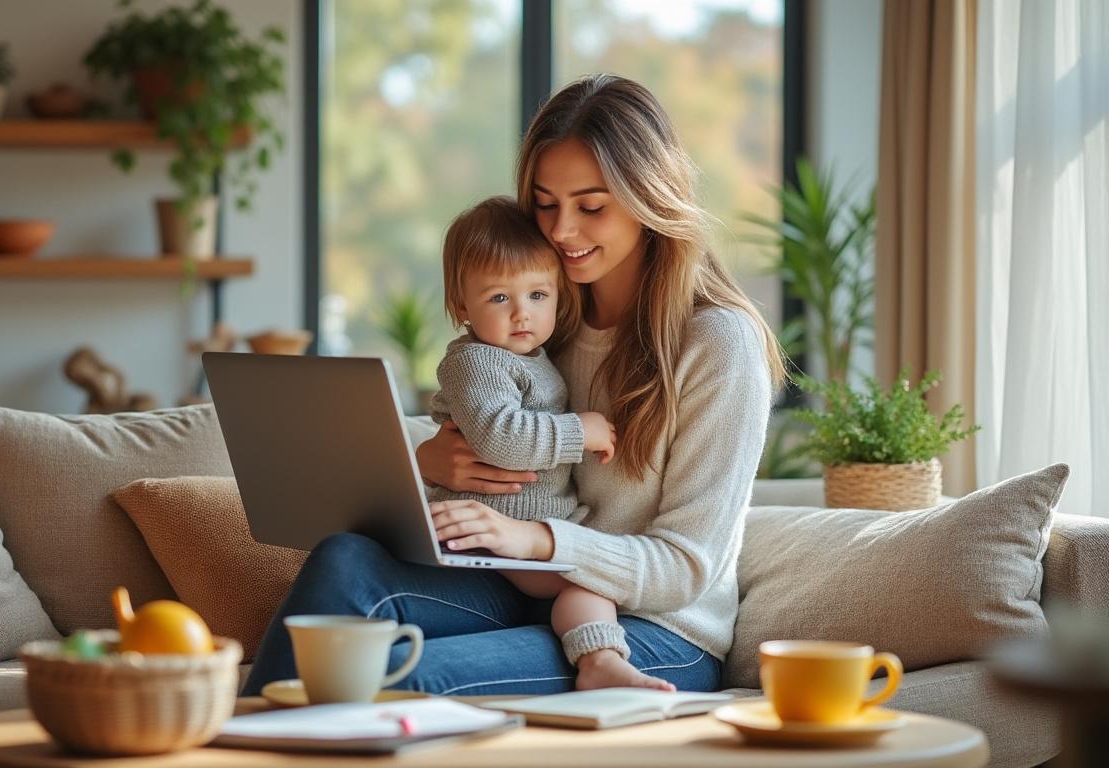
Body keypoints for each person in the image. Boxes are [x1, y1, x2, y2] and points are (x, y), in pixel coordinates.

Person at [241, 74, 785, 697]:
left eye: (591, 206)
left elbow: (688, 566)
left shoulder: (717, 342)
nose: (561, 231)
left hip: (653, 630)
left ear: (648, 198)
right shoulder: (540, 314)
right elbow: (490, 425)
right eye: (546, 203)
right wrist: (429, 458)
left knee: (399, 678)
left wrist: (534, 539)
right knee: (344, 562)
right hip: (518, 582)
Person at [427, 195, 662, 691]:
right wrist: (582, 431)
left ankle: (599, 661)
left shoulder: (530, 355)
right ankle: (598, 659)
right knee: (587, 579)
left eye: (538, 295)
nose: (521, 315)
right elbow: (501, 438)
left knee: (587, 581)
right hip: (488, 536)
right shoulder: (478, 362)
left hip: (524, 533)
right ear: (460, 305)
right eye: (498, 299)